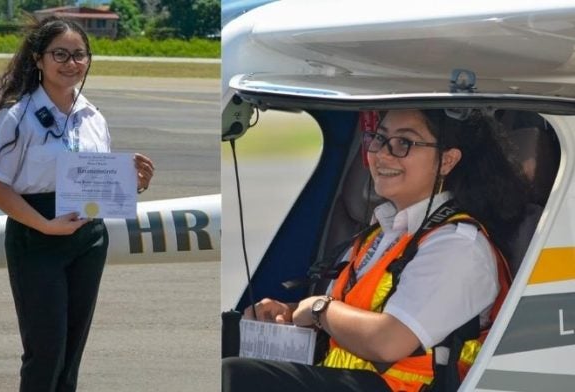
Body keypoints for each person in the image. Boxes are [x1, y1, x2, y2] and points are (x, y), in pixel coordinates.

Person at [222, 109, 528, 392]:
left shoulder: (458, 246)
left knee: (234, 376)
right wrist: (289, 314)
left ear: (447, 161)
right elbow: (348, 314)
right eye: (379, 138)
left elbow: (389, 341)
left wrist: (318, 309)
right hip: (349, 380)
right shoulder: (383, 231)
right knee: (225, 335)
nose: (382, 153)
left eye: (403, 143)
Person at [0, 16, 154, 392]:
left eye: (79, 55)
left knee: (72, 353)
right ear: (38, 59)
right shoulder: (17, 116)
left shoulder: (93, 117)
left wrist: (132, 183)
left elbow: (97, 184)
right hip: (37, 236)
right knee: (46, 352)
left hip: (88, 238)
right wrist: (44, 225)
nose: (70, 63)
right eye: (60, 54)